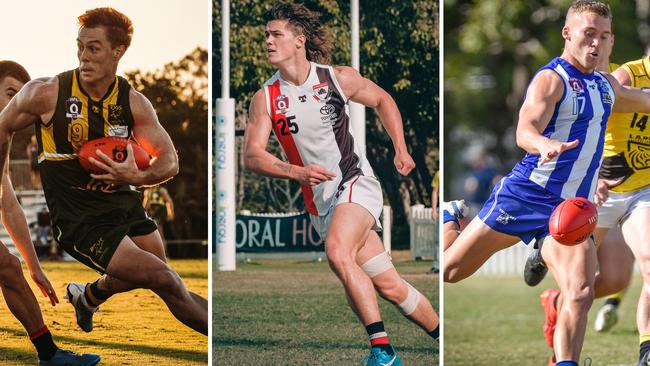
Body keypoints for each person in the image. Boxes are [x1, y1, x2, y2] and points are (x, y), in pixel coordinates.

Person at [443, 1, 650, 364]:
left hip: (570, 211)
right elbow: (524, 129)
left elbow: (642, 100)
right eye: (588, 34)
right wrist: (544, 144)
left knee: (581, 293)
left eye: (604, 37)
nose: (596, 44)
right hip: (524, 196)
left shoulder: (605, 87)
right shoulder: (551, 79)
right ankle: (450, 217)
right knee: (450, 271)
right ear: (568, 33)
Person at [243, 3, 439, 365]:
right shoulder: (266, 98)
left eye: (276, 34)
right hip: (320, 202)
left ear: (299, 41)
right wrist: (297, 173)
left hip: (356, 183)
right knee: (391, 287)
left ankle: (383, 352)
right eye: (266, 34)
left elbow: (382, 99)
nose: (267, 41)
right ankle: (443, 336)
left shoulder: (336, 77)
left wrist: (400, 147)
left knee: (337, 253)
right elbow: (252, 156)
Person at [0, 8, 207, 337]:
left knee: (160, 276)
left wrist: (135, 177)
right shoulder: (46, 93)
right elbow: (3, 126)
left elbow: (169, 160)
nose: (83, 56)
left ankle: (89, 296)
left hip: (125, 206)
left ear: (118, 51)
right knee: (164, 278)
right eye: (79, 46)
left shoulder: (133, 102)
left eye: (93, 48)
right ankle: (226, 339)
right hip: (82, 220)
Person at [0, 60, 100, 365]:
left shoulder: (5, 136)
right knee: (6, 267)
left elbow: (7, 200)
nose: (16, 103)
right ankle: (50, 355)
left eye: (20, 97)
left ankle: (49, 354)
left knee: (9, 267)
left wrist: (34, 266)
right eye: (9, 93)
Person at [142, 184, 174, 255]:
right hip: (152, 213)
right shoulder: (147, 191)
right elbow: (146, 205)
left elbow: (169, 201)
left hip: (160, 213)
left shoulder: (161, 190)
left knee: (160, 233)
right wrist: (143, 215)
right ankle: (153, 254)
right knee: (151, 234)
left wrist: (170, 213)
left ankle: (164, 254)